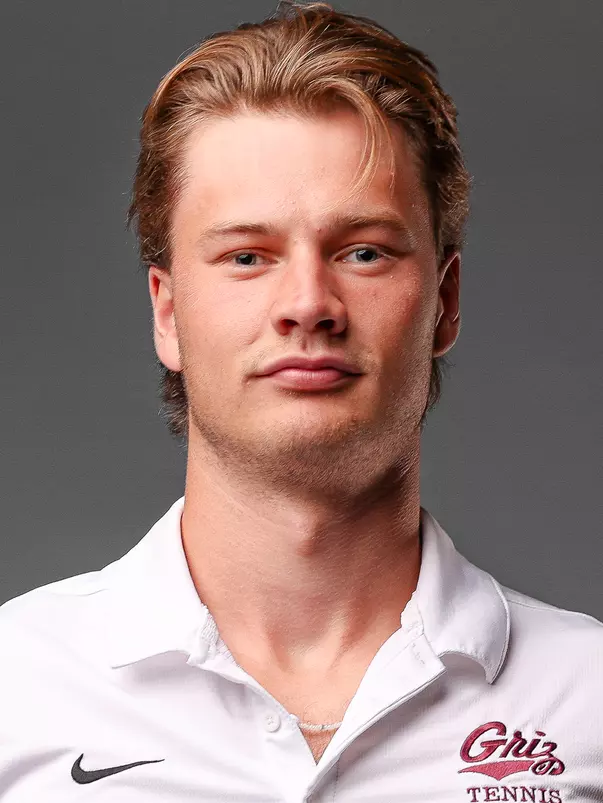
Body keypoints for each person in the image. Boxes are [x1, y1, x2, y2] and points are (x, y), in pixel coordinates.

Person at [1, 1, 601, 800]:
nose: (308, 302)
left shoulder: (584, 697)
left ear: (445, 303)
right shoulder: (19, 689)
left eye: (363, 251)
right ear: (168, 313)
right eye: (247, 255)